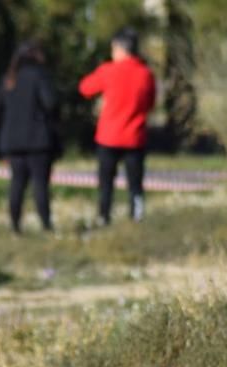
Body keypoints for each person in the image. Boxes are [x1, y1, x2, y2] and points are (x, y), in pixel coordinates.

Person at [78, 28, 155, 225]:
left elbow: (85, 88)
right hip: (135, 137)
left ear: (119, 49)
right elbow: (150, 103)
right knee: (135, 183)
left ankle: (104, 216)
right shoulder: (146, 74)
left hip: (109, 137)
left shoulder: (108, 71)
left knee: (106, 183)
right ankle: (136, 216)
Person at [0, 40, 59, 233]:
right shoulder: (39, 76)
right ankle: (46, 225)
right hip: (38, 141)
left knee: (17, 184)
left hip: (12, 142)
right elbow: (51, 103)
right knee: (40, 184)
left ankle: (15, 226)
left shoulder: (9, 79)